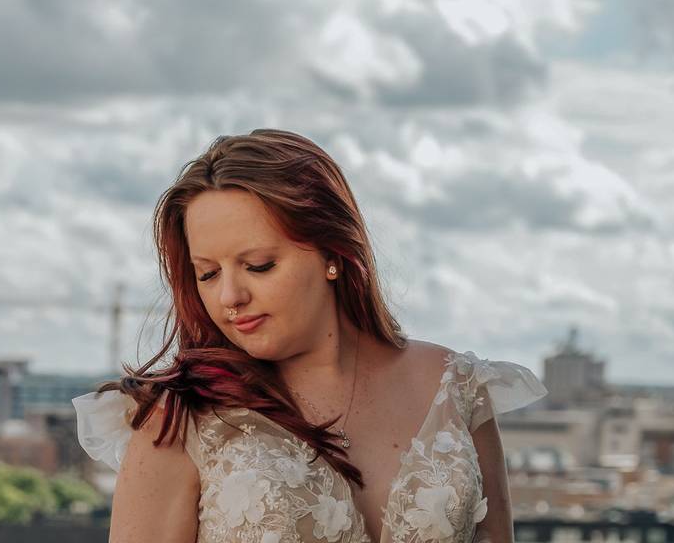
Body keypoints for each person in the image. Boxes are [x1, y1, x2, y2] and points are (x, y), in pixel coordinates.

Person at [72, 129, 547, 543]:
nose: (230, 296)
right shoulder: (179, 419)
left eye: (259, 266)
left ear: (332, 254)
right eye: (208, 273)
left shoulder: (456, 387)